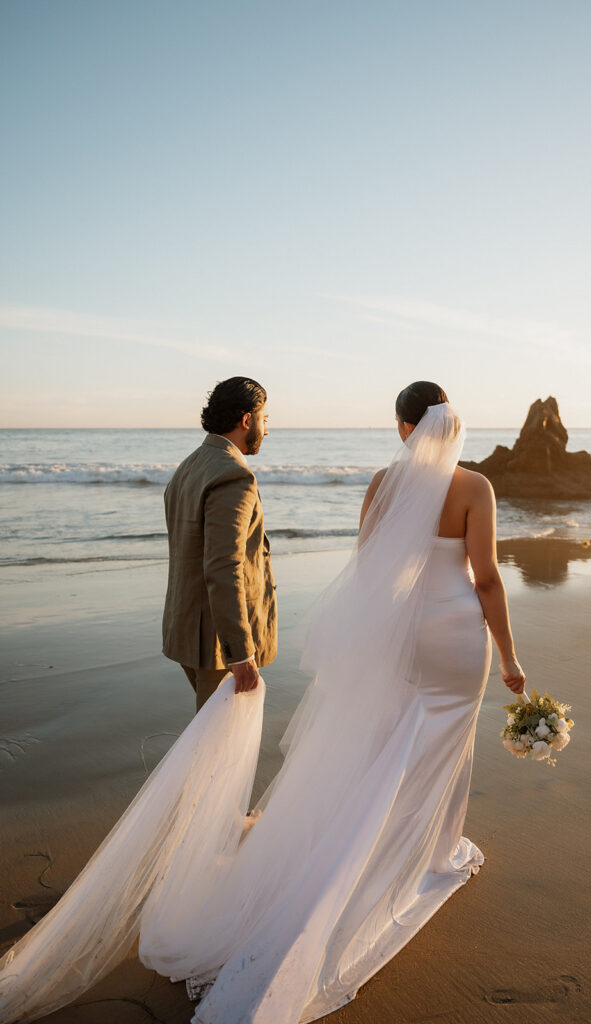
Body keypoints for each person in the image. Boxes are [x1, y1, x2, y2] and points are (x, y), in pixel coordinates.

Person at [0, 381, 525, 1024]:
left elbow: (368, 572)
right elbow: (489, 577)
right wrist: (510, 658)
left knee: (389, 742)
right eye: (266, 418)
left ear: (403, 428)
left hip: (379, 636)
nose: (269, 427)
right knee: (438, 746)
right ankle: (428, 851)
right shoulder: (474, 488)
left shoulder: (373, 484)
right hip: (447, 633)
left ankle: (342, 844)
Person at [162, 376, 277, 711]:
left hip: (187, 632)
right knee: (215, 750)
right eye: (265, 419)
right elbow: (224, 565)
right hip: (218, 643)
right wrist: (240, 651)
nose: (266, 430)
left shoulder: (189, 466)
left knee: (211, 740)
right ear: (247, 420)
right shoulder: (233, 474)